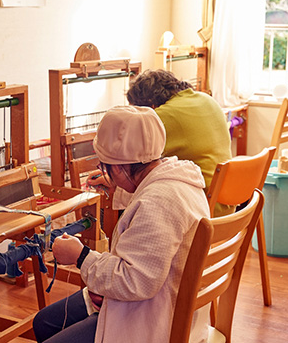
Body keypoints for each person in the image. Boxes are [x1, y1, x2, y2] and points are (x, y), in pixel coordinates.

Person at [32, 105, 210, 343]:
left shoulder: (155, 203)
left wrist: (81, 256)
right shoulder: (181, 179)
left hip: (153, 318)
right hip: (164, 296)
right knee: (43, 321)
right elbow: (147, 204)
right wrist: (116, 185)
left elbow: (134, 281)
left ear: (119, 167)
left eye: (105, 167)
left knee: (47, 327)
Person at [125, 69, 234, 217]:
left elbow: (131, 159)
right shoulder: (206, 99)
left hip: (203, 210)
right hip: (228, 203)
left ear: (149, 105)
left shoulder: (161, 116)